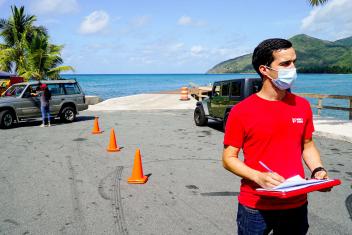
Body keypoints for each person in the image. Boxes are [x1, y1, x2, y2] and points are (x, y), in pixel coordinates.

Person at [222, 38, 329, 235]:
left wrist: (317, 170)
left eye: (294, 61)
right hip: (255, 206)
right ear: (264, 70)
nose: (293, 68)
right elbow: (228, 159)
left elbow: (308, 145)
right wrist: (258, 176)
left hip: (296, 203)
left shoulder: (302, 105)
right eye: (285, 63)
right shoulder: (241, 112)